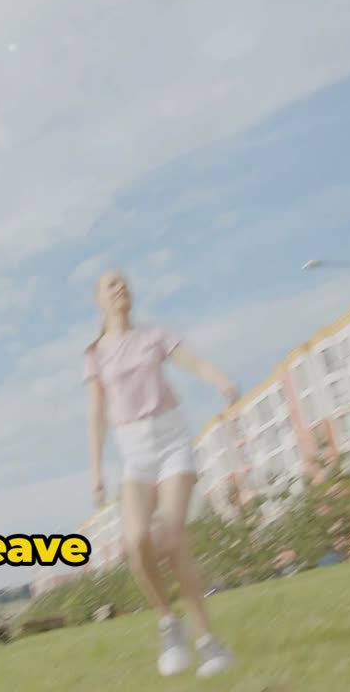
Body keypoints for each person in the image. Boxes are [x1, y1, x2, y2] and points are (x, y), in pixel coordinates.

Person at [83, 269, 237, 678]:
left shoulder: (154, 335)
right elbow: (97, 414)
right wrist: (97, 470)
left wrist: (218, 378)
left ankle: (209, 643)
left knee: (171, 538)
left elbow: (194, 361)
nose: (121, 289)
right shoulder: (95, 354)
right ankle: (169, 622)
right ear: (99, 300)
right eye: (111, 285)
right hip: (135, 455)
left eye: (124, 283)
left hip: (171, 443)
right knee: (136, 541)